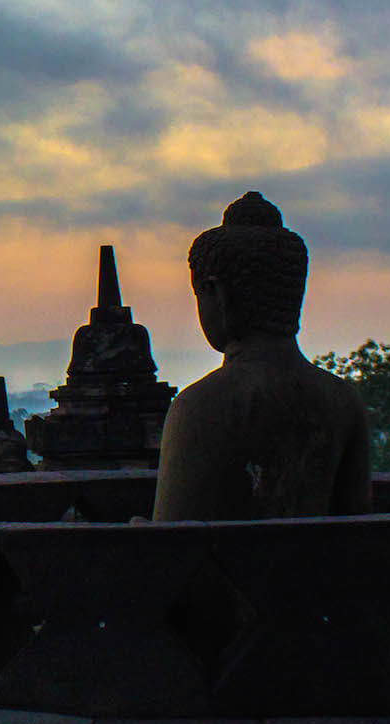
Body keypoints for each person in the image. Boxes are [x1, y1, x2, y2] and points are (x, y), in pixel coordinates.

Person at [151, 191, 371, 521]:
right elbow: (359, 532)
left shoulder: (200, 406)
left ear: (216, 293)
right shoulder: (343, 402)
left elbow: (173, 544)